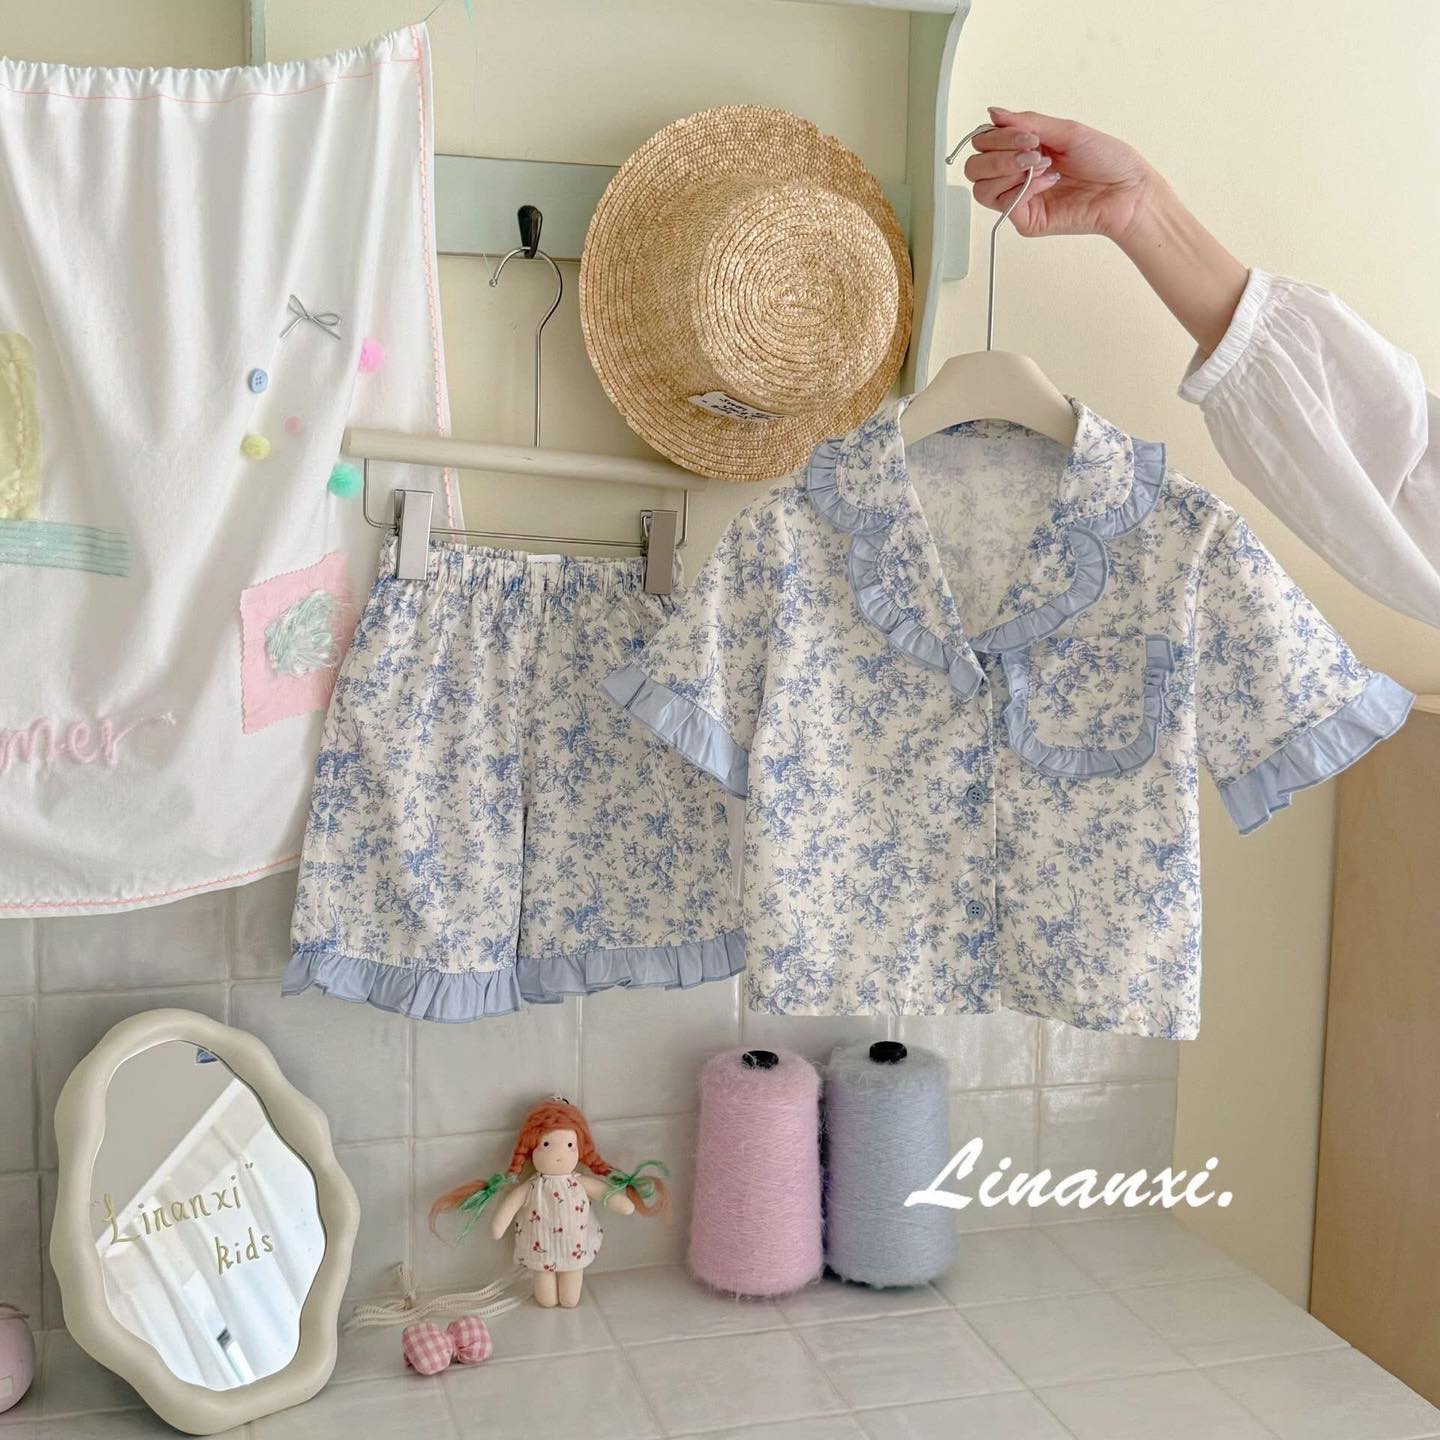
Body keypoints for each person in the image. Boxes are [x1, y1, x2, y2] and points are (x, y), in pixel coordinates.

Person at [962, 107, 1440, 629]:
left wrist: (1139, 206)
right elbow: (1393, 457)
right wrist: (1138, 207)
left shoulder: (1177, 547)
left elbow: (1390, 467)